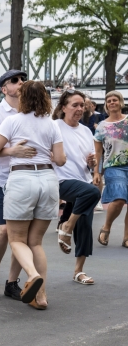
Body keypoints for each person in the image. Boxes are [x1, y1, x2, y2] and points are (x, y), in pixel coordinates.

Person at [0, 80, 66, 310]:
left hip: (22, 179)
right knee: (36, 242)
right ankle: (41, 297)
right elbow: (60, 160)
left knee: (17, 239)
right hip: (48, 179)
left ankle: (32, 274)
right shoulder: (51, 124)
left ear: (22, 97)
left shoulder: (12, 121)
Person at [0, 69, 32, 301]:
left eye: (23, 79)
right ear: (4, 89)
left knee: (22, 234)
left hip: (27, 177)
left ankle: (12, 282)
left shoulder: (31, 109)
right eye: (15, 80)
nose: (20, 83)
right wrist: (13, 150)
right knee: (3, 229)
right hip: (2, 177)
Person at [52, 90, 101, 284]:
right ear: (64, 107)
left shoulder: (86, 131)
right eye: (75, 105)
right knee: (93, 192)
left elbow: (89, 161)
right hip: (61, 180)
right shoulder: (54, 126)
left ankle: (79, 271)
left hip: (83, 180)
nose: (80, 109)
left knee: (86, 225)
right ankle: (67, 226)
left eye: (82, 105)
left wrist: (91, 163)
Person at [94, 90, 128, 248]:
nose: (112, 102)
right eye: (109, 101)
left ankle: (127, 236)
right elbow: (98, 152)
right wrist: (96, 172)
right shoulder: (102, 126)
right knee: (119, 199)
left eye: (115, 100)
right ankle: (107, 225)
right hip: (113, 166)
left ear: (121, 102)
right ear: (106, 106)